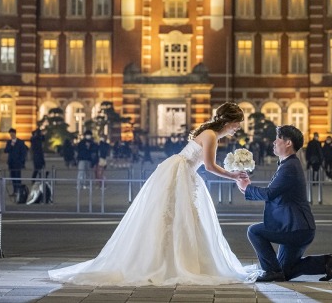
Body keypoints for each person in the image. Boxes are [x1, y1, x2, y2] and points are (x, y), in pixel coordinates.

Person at [48, 102, 254, 286]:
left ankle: (167, 258)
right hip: (181, 173)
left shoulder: (209, 133)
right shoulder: (211, 136)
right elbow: (209, 167)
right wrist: (233, 175)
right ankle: (171, 261)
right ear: (228, 121)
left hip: (180, 170)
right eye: (237, 123)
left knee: (174, 217)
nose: (237, 128)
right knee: (178, 216)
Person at [236, 125, 332, 283]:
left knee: (254, 231)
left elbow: (270, 194)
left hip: (295, 228)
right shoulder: (288, 165)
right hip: (299, 227)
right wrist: (247, 188)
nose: (274, 142)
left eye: (278, 139)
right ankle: (324, 263)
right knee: (285, 271)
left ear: (288, 143)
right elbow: (273, 192)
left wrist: (248, 189)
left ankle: (271, 271)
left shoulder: (289, 167)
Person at [4, 128, 28, 195]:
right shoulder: (9, 142)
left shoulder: (20, 142)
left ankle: (19, 191)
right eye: (10, 134)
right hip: (11, 163)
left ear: (15, 134)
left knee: (18, 177)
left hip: (17, 163)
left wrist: (21, 161)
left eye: (12, 134)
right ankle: (15, 191)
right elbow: (6, 150)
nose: (11, 135)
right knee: (13, 177)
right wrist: (11, 145)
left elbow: (24, 152)